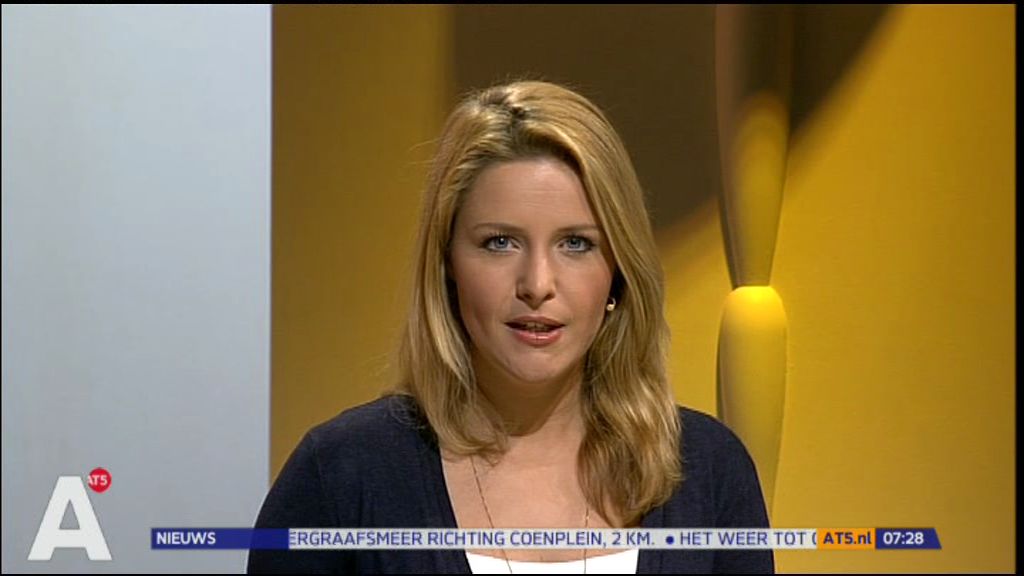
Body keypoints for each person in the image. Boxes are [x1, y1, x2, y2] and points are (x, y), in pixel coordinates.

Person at [248, 80, 773, 574]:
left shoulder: (709, 470)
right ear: (447, 263)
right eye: (499, 242)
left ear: (618, 270)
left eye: (576, 244)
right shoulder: (342, 474)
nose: (537, 284)